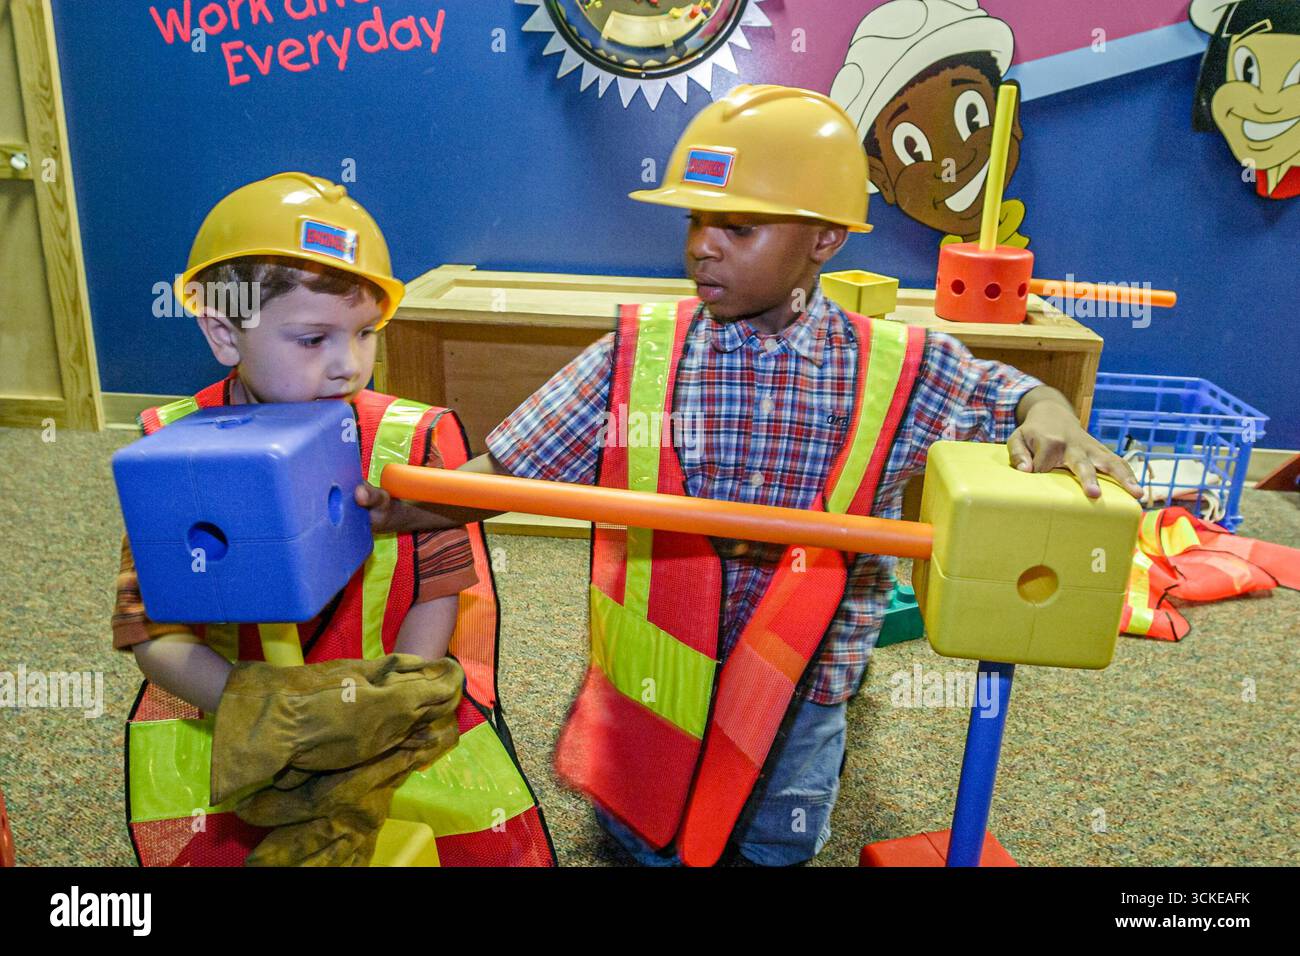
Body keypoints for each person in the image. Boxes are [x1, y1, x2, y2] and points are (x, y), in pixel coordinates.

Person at [361, 85, 1142, 866]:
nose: (702, 245)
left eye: (737, 226)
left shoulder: (898, 366)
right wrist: (402, 510)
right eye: (697, 222)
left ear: (826, 240)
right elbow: (505, 475)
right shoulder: (639, 356)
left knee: (777, 836)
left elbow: (1011, 393)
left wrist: (1050, 412)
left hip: (801, 682)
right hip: (656, 672)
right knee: (643, 835)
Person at [114, 172, 553, 867]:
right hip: (243, 739)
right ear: (224, 333)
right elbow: (151, 632)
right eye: (312, 338)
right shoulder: (171, 452)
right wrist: (265, 709)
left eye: (365, 333)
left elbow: (440, 591)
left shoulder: (414, 440)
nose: (348, 365)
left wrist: (389, 699)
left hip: (388, 731)